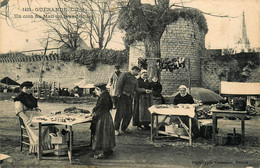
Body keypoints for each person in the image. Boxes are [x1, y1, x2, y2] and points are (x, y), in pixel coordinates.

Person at [14, 81, 56, 154]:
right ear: (22, 89)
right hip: (27, 117)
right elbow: (19, 112)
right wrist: (28, 121)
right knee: (41, 127)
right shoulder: (19, 98)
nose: (28, 89)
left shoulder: (31, 97)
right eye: (26, 88)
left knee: (48, 123)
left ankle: (46, 147)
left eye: (30, 88)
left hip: (35, 115)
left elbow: (34, 106)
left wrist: (36, 109)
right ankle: (37, 149)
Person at [114, 66, 149, 136]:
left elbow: (136, 88)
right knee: (120, 113)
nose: (138, 74)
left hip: (129, 97)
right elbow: (119, 85)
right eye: (137, 72)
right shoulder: (124, 74)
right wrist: (118, 95)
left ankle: (124, 128)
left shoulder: (134, 79)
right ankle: (116, 129)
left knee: (129, 113)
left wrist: (145, 90)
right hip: (122, 96)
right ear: (134, 70)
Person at [90, 82, 116, 159]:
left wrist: (94, 115)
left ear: (99, 89)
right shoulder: (105, 95)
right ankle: (108, 150)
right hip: (107, 116)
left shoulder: (103, 98)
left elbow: (100, 109)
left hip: (103, 118)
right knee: (107, 134)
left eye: (96, 90)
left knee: (103, 134)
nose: (95, 92)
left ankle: (105, 153)